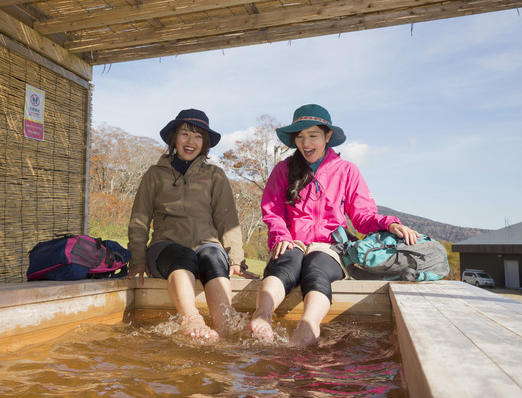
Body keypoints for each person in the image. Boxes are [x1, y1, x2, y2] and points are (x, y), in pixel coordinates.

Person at [249, 104, 419, 347]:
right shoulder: (283, 169)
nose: (305, 142)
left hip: (330, 246)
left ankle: (308, 326)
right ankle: (262, 315)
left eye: (313, 135)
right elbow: (272, 210)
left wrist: (389, 223)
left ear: (327, 136)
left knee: (316, 269)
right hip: (291, 240)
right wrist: (280, 236)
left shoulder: (347, 171)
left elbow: (362, 216)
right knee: (286, 263)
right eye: (300, 136)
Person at [127, 109, 252, 340]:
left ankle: (224, 323)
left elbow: (228, 220)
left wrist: (235, 260)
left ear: (204, 143)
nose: (190, 141)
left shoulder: (215, 175)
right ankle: (191, 318)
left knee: (213, 258)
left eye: (198, 136)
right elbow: (139, 218)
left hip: (207, 244)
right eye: (185, 134)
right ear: (174, 137)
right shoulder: (154, 174)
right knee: (183, 255)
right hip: (165, 247)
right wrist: (137, 259)